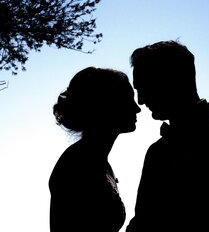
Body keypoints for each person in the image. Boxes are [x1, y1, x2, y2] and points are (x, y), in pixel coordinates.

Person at [127, 40, 209, 231]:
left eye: (144, 87)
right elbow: (142, 221)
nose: (141, 100)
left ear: (171, 80)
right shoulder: (157, 150)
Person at [50, 67, 142, 232]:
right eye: (128, 100)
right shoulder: (76, 163)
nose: (137, 108)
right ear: (105, 105)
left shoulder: (100, 162)